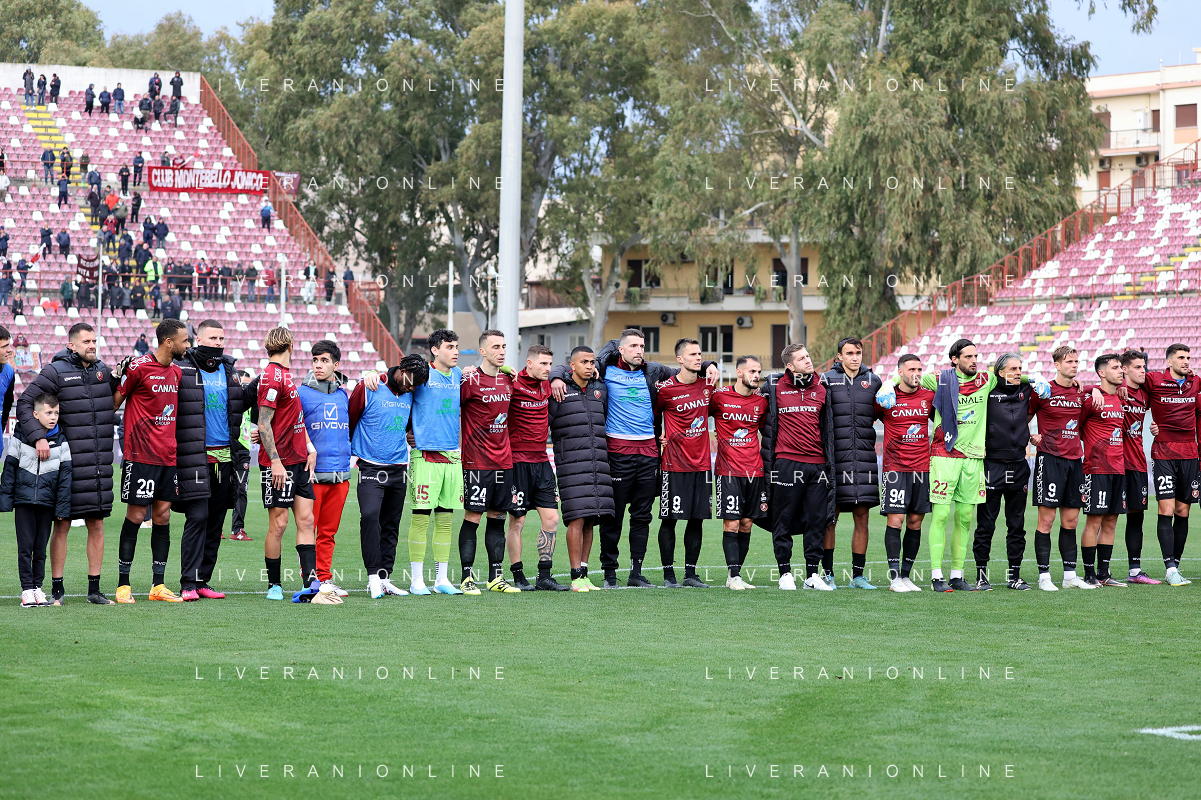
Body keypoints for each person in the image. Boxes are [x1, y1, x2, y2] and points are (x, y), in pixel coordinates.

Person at [548, 328, 717, 588]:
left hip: (649, 452)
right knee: (613, 517)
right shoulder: (604, 369)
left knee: (642, 516)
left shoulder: (653, 371)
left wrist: (709, 364)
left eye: (642, 346)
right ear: (621, 349)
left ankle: (636, 573)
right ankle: (610, 574)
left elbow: (685, 368)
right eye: (634, 346)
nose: (639, 351)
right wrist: (556, 376)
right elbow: (575, 363)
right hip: (617, 452)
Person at [878, 339, 1049, 592]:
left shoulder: (986, 379)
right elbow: (911, 377)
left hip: (974, 458)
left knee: (965, 518)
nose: (974, 361)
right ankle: (937, 576)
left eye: (976, 356)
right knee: (941, 515)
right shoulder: (940, 379)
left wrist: (1034, 378)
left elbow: (1011, 376)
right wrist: (888, 382)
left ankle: (957, 576)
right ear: (955, 359)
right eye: (968, 357)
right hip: (944, 455)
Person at [15, 324, 118, 605]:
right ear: (71, 345)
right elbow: (25, 403)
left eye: (94, 341)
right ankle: (57, 591)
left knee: (97, 524)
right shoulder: (55, 371)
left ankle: (94, 590)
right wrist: (39, 437)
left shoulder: (103, 371)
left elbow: (112, 401)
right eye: (86, 341)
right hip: (66, 467)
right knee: (61, 525)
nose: (92, 345)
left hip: (97, 466)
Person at [111, 319, 190, 603]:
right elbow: (114, 403)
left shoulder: (177, 373)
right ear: (169, 342)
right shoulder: (139, 367)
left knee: (163, 516)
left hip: (168, 456)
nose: (188, 345)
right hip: (140, 455)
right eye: (184, 340)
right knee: (135, 516)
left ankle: (158, 585)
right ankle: (123, 585)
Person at [254, 327, 335, 604]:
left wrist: (309, 448)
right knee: (279, 524)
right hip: (279, 464)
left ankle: (310, 583)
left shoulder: (286, 375)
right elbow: (263, 423)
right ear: (291, 346)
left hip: (299, 461)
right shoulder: (271, 376)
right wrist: (275, 462)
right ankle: (274, 585)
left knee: (306, 520)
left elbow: (293, 419)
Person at [174, 320, 251, 601]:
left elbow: (240, 404)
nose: (218, 343)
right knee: (198, 517)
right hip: (195, 457)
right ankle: (187, 583)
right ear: (198, 339)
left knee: (216, 522)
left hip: (225, 458)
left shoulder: (228, 369)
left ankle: (202, 581)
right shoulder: (183, 367)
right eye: (213, 338)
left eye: (221, 338)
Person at [756, 343, 836, 590]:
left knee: (817, 520)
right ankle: (785, 574)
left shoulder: (822, 387)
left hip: (817, 464)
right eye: (801, 358)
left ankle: (812, 575)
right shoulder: (773, 386)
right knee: (783, 518)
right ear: (790, 365)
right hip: (786, 463)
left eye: (808, 356)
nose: (808, 360)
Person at [349, 353, 429, 598]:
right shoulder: (369, 386)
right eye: (411, 382)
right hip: (370, 466)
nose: (412, 388)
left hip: (398, 467)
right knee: (370, 516)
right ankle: (373, 577)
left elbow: (408, 424)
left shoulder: (410, 393)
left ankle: (385, 578)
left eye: (416, 386)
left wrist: (411, 434)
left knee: (391, 525)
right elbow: (349, 421)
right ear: (402, 370)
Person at [458, 330, 522, 593]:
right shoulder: (469, 380)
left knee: (498, 517)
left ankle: (496, 577)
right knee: (473, 516)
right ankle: (466, 578)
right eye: (495, 347)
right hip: (476, 462)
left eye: (504, 346)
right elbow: (449, 408)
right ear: (482, 351)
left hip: (504, 461)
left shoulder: (509, 380)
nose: (502, 351)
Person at [405, 329, 466, 594]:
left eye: (456, 347)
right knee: (420, 518)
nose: (455, 352)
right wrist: (408, 430)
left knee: (445, 520)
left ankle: (441, 580)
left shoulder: (459, 375)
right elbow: (398, 393)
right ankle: (417, 580)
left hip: (452, 456)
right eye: (450, 347)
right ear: (435, 350)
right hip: (425, 456)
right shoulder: (422, 375)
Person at [547, 346, 613, 591]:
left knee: (591, 520)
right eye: (584, 362)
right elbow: (545, 425)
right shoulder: (559, 390)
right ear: (572, 365)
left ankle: (584, 573)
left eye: (592, 362)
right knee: (576, 519)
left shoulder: (600, 389)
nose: (589, 366)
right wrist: (556, 376)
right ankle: (576, 577)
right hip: (571, 466)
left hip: (598, 465)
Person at [821, 337, 883, 589]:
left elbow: (884, 412)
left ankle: (858, 576)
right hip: (834, 460)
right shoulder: (826, 380)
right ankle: (828, 574)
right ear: (839, 356)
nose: (855, 357)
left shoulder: (874, 381)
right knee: (830, 519)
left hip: (864, 460)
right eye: (849, 353)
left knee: (862, 517)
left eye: (858, 352)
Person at [654, 338, 716, 588]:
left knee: (697, 519)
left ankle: (690, 574)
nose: (698, 358)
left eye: (700, 354)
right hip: (674, 465)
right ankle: (669, 576)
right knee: (669, 519)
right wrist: (658, 437)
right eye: (692, 354)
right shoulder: (665, 389)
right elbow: (653, 417)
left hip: (703, 465)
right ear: (680, 359)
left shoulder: (708, 385)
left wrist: (711, 365)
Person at [505, 345, 568, 590]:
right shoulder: (512, 383)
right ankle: (518, 576)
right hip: (517, 463)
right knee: (517, 522)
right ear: (529, 363)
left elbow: (567, 369)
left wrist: (556, 377)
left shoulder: (548, 385)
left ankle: (544, 576)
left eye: (550, 364)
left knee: (552, 519)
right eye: (543, 363)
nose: (548, 368)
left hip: (542, 462)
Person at [972, 353, 1036, 591]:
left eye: (1020, 368)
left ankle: (1014, 576)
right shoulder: (987, 390)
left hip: (1019, 465)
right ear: (1000, 372)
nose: (1019, 372)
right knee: (986, 525)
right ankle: (981, 576)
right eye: (1013, 369)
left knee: (1016, 525)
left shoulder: (1027, 389)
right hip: (992, 465)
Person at [2, 393, 73, 607]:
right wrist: (5, 499)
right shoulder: (20, 436)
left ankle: (37, 588)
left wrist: (62, 508)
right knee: (25, 548)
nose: (53, 417)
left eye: (56, 413)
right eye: (48, 412)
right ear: (35, 414)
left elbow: (65, 478)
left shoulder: (62, 441)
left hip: (47, 503)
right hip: (23, 502)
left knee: (40, 549)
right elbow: (9, 468)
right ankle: (26, 590)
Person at [1028, 345, 1090, 590]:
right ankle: (1044, 576)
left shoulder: (1081, 392)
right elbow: (1023, 417)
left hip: (1075, 461)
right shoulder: (1043, 390)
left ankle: (1069, 576)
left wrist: (1094, 391)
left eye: (1076, 361)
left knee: (1071, 521)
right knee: (1047, 520)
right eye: (1069, 362)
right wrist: (1031, 436)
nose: (1074, 365)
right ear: (1056, 365)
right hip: (1050, 459)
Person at [873, 354, 936, 593]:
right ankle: (894, 578)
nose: (916, 373)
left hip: (922, 467)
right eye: (911, 369)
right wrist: (886, 385)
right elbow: (866, 420)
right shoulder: (887, 397)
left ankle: (907, 576)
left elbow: (942, 422)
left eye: (919, 369)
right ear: (900, 372)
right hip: (895, 468)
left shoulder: (929, 397)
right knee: (896, 520)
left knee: (915, 521)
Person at [1143, 342, 1200, 586]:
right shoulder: (1154, 380)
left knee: (1183, 511)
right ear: (1169, 361)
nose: (1186, 361)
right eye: (1181, 358)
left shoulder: (1195, 382)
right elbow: (1129, 383)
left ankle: (1175, 565)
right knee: (1166, 510)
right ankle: (1170, 568)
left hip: (1190, 454)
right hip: (1164, 452)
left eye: (1188, 357)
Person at [299, 341, 353, 596]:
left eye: (324, 360)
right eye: (315, 360)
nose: (318, 365)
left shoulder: (343, 394)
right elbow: (293, 427)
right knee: (308, 530)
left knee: (328, 533)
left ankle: (325, 578)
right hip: (312, 475)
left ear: (336, 364)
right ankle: (310, 581)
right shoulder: (302, 393)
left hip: (341, 474)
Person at [710, 355, 769, 590]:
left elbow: (765, 430)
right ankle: (734, 576)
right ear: (739, 372)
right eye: (752, 371)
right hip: (728, 470)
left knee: (746, 524)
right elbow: (696, 417)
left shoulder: (761, 402)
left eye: (759, 372)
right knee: (732, 524)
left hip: (755, 470)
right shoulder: (719, 396)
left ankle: (735, 575)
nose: (756, 376)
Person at [1075, 353, 1129, 588]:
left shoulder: (1121, 398)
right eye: (1115, 368)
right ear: (1101, 373)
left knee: (1111, 521)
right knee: (1094, 521)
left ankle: (1103, 573)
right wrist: (1093, 389)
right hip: (1096, 468)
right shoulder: (1091, 400)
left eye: (1120, 367)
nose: (1121, 371)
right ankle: (1089, 574)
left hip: (1118, 468)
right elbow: (1076, 427)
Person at [1118, 349, 1161, 584]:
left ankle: (1135, 571)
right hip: (1112, 464)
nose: (1143, 371)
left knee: (1136, 517)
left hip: (1137, 462)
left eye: (1144, 367)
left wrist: (1158, 427)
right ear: (1124, 369)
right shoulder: (1113, 390)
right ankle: (1097, 572)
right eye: (1137, 367)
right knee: (1104, 517)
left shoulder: (1145, 395)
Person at [229, 370, 254, 541]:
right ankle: (215, 528)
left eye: (248, 385)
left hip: (244, 451)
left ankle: (237, 530)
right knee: (220, 489)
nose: (245, 389)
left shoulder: (251, 403)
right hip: (226, 449)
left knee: (241, 490)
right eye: (243, 384)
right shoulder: (228, 400)